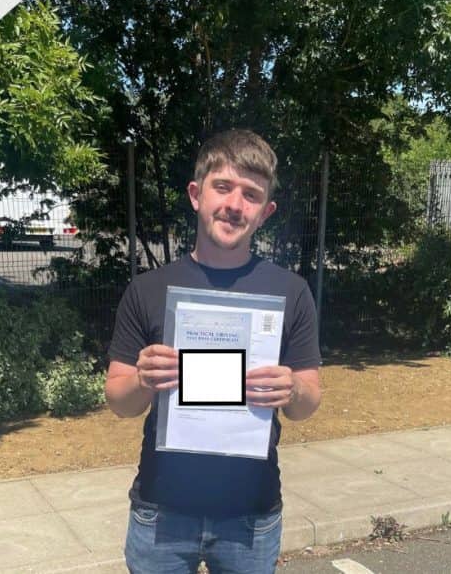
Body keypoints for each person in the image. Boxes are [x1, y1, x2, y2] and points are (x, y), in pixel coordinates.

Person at [105, 128, 322, 574]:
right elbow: (119, 401)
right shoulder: (148, 290)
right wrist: (143, 380)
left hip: (251, 515)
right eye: (222, 187)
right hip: (161, 510)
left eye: (251, 195)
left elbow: (306, 404)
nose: (234, 204)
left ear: (266, 212)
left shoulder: (291, 292)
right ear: (196, 194)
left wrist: (293, 390)